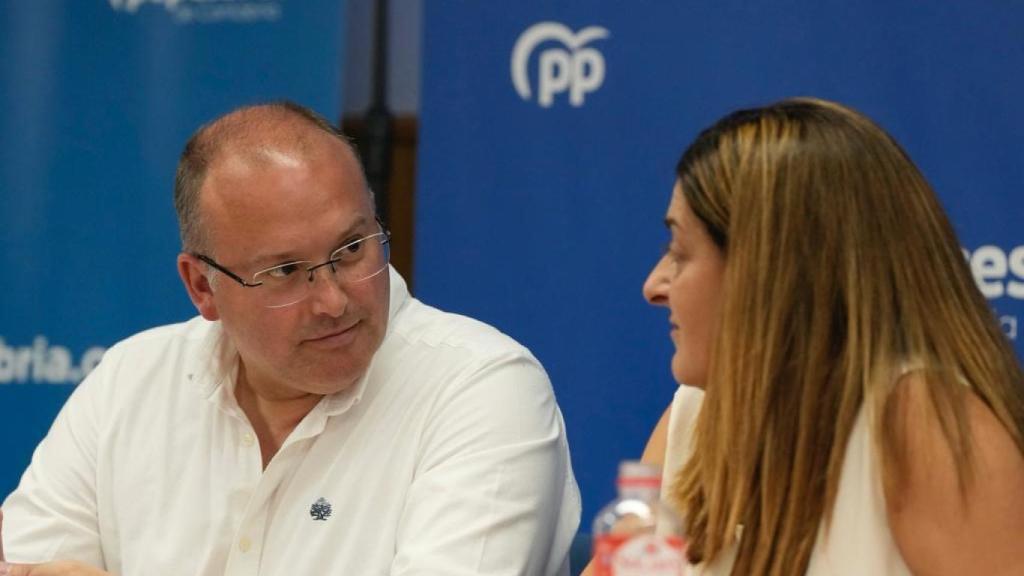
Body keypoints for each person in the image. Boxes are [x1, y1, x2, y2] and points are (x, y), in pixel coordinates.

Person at [1, 101, 580, 576]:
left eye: (352, 250)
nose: (333, 300)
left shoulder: (481, 388)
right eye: (284, 272)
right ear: (201, 286)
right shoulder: (130, 381)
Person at [587, 97, 1024, 575]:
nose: (654, 286)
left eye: (680, 252)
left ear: (770, 274)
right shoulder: (695, 415)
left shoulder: (924, 424)